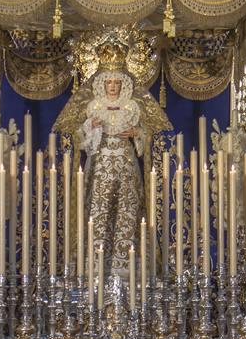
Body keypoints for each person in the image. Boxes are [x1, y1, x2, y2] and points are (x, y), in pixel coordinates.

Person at [54, 42, 170, 279]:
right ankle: (95, 263)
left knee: (127, 208)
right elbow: (81, 140)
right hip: (101, 163)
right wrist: (91, 126)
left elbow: (145, 137)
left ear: (123, 84)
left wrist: (137, 134)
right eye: (109, 82)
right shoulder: (94, 106)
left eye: (117, 82)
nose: (113, 86)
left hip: (126, 163)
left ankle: (126, 262)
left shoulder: (132, 106)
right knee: (98, 208)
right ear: (102, 84)